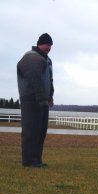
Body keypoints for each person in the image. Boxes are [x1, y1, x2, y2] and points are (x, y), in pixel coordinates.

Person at [17, 33, 54, 168]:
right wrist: (41, 97)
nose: (49, 47)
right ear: (39, 43)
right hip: (31, 99)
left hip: (42, 100)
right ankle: (29, 161)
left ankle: (36, 160)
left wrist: (49, 96)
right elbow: (34, 78)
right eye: (46, 44)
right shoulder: (31, 57)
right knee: (31, 130)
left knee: (40, 131)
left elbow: (48, 80)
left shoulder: (45, 59)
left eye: (50, 45)